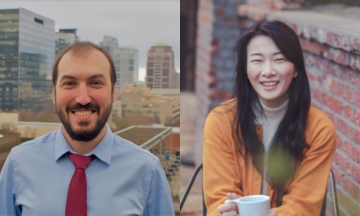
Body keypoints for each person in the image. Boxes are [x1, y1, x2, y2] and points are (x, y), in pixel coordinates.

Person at [0, 41, 174, 216]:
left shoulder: (147, 171)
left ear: (113, 93)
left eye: (96, 82)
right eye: (69, 83)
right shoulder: (18, 164)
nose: (83, 98)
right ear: (54, 94)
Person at [203, 20, 336, 216]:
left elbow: (304, 205)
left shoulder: (319, 129)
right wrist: (225, 211)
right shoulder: (221, 121)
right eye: (257, 60)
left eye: (279, 60)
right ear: (246, 70)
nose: (268, 71)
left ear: (296, 68)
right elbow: (218, 197)